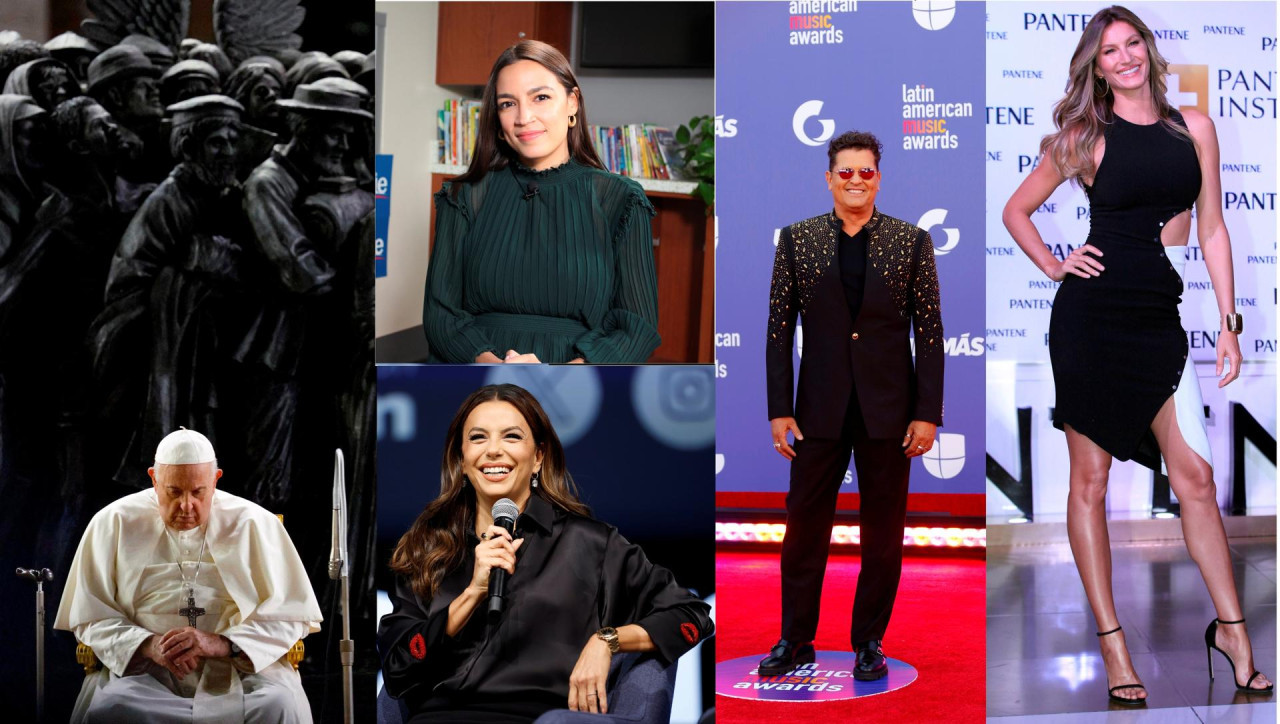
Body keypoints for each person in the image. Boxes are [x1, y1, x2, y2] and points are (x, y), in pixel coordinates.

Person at [1002, 5, 1271, 703]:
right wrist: (1055, 265)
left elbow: (1211, 229)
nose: (1123, 58)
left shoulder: (1195, 130)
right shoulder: (1084, 137)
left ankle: (1234, 630)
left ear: (1148, 51)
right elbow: (1015, 210)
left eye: (1131, 45)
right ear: (1096, 66)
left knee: (1198, 482)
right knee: (1087, 483)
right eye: (1109, 51)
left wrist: (1230, 321)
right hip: (1090, 323)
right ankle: (1114, 646)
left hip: (1159, 321)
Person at [378, 384, 712, 722]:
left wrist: (606, 640)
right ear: (461, 460)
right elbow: (397, 670)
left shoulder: (589, 543)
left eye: (511, 437)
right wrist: (472, 594)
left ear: (538, 457)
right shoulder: (427, 549)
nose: (493, 450)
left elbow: (690, 614)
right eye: (478, 438)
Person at [762, 130, 943, 681]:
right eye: (846, 172)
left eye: (866, 172)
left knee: (882, 535)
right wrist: (779, 407)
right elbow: (777, 332)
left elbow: (930, 335)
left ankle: (869, 640)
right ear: (829, 178)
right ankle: (795, 639)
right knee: (802, 532)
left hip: (890, 413)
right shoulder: (797, 240)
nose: (856, 180)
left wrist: (927, 412)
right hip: (817, 411)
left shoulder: (911, 242)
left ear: (878, 178)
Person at [54, 427, 323, 723]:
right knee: (113, 709)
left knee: (277, 704)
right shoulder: (113, 522)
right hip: (147, 676)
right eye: (173, 492)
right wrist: (149, 645)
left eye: (198, 492)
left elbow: (289, 616)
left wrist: (223, 643)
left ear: (216, 479)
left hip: (241, 673)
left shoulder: (254, 523)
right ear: (154, 479)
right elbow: (91, 616)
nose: (186, 506)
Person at [423, 40, 660, 364]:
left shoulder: (621, 199)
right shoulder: (462, 196)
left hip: (578, 384)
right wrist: (495, 370)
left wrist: (557, 377)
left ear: (572, 102)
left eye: (541, 97)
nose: (524, 117)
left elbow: (637, 327)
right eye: (508, 104)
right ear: (497, 119)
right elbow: (441, 315)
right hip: (476, 376)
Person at [91, 95, 251, 487]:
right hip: (170, 348)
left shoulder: (223, 194)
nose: (228, 152)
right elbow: (129, 284)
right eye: (217, 142)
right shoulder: (171, 199)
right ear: (188, 146)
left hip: (206, 346)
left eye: (233, 141)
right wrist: (191, 276)